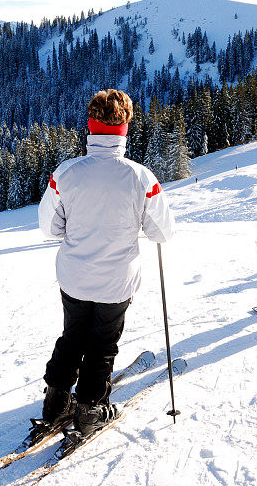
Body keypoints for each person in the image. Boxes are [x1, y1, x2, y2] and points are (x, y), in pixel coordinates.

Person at [37, 89, 173, 436]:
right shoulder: (141, 178)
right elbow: (162, 231)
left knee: (72, 336)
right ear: (125, 128)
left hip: (75, 276)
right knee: (101, 344)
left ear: (90, 126)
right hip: (117, 281)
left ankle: (55, 402)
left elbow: (49, 228)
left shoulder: (66, 174)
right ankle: (89, 411)